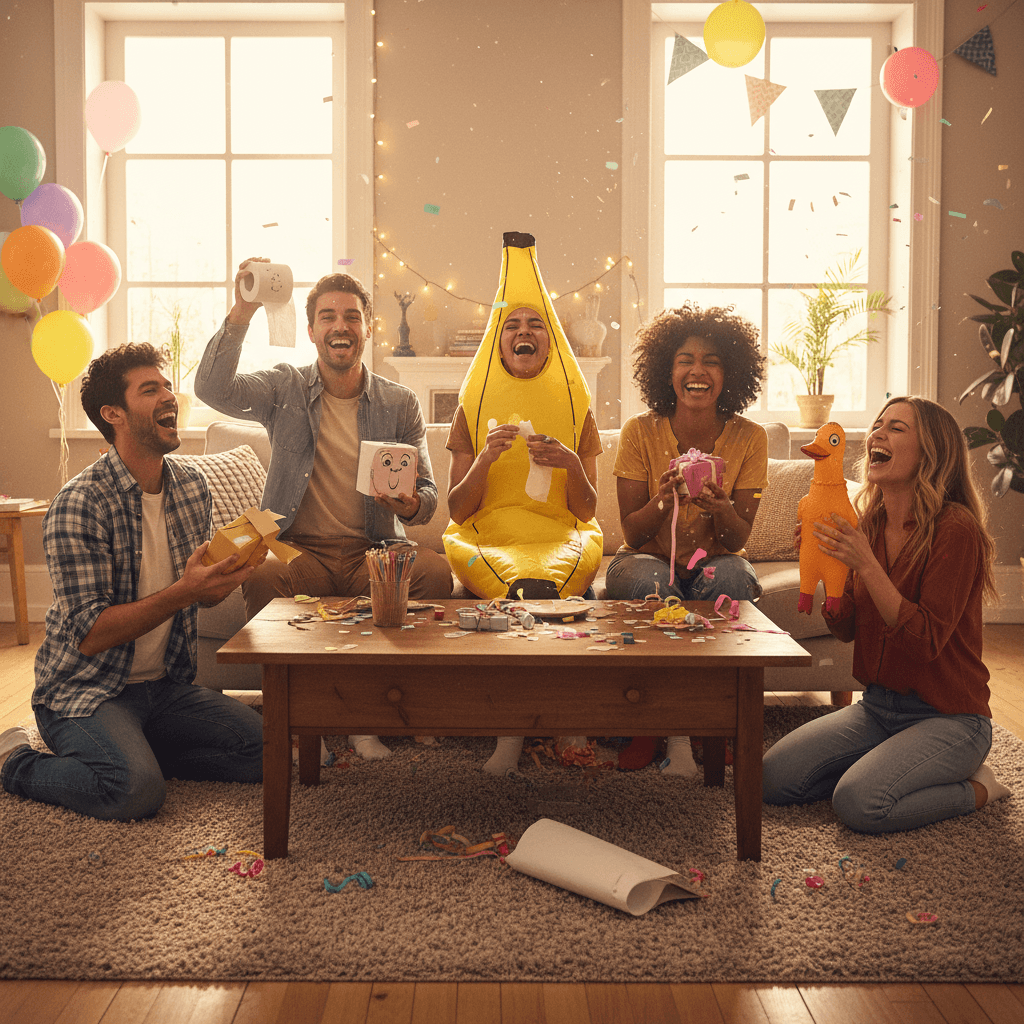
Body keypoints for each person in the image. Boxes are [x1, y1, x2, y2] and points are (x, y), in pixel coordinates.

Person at [195, 259, 453, 760]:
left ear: (367, 329)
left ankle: (376, 711)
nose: (341, 326)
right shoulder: (284, 388)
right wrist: (243, 311)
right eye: (328, 317)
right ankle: (293, 714)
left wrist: (410, 503)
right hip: (298, 549)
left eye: (352, 316)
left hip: (372, 551)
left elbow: (427, 496)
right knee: (263, 574)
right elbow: (212, 389)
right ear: (311, 330)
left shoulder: (399, 402)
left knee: (433, 573)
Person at [0, 344, 264, 821]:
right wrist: (186, 591)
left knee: (270, 750)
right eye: (150, 390)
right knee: (134, 792)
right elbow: (91, 635)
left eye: (167, 385)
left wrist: (223, 579)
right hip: (86, 690)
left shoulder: (191, 487)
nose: (169, 396)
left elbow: (196, 597)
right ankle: (13, 760)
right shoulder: (79, 503)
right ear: (113, 414)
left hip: (163, 688)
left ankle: (138, 754)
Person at [763, 396, 1010, 832]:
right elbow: (846, 630)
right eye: (878, 424)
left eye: (897, 428)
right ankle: (893, 766)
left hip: (950, 718)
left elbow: (925, 641)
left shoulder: (956, 529)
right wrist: (829, 567)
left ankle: (978, 787)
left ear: (931, 452)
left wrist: (866, 565)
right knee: (772, 779)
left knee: (859, 803)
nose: (878, 432)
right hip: (878, 707)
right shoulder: (870, 523)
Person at [443, 232, 603, 775]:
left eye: (536, 324)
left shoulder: (577, 409)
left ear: (551, 342)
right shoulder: (472, 408)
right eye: (512, 325)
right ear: (498, 342)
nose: (524, 332)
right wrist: (486, 459)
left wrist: (571, 464)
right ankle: (511, 731)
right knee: (519, 593)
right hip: (490, 539)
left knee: (558, 591)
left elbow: (587, 513)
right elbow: (457, 513)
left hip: (561, 537)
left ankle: (564, 720)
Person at [606, 303, 768, 775]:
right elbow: (632, 532)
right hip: (645, 558)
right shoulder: (640, 431)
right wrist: (662, 501)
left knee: (732, 581)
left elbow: (737, 538)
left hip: (715, 558)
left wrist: (722, 508)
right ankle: (650, 724)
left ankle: (711, 723)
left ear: (730, 373)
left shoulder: (750, 438)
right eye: (685, 360)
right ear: (667, 371)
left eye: (711, 361)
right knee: (653, 587)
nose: (698, 371)